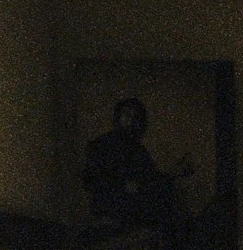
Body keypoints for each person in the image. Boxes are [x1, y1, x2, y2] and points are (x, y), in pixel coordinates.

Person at [81, 97, 192, 231]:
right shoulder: (101, 145)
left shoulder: (138, 150)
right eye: (127, 115)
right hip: (111, 209)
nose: (131, 122)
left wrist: (172, 174)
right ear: (117, 118)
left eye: (136, 117)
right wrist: (122, 186)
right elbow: (91, 180)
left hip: (136, 207)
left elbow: (150, 178)